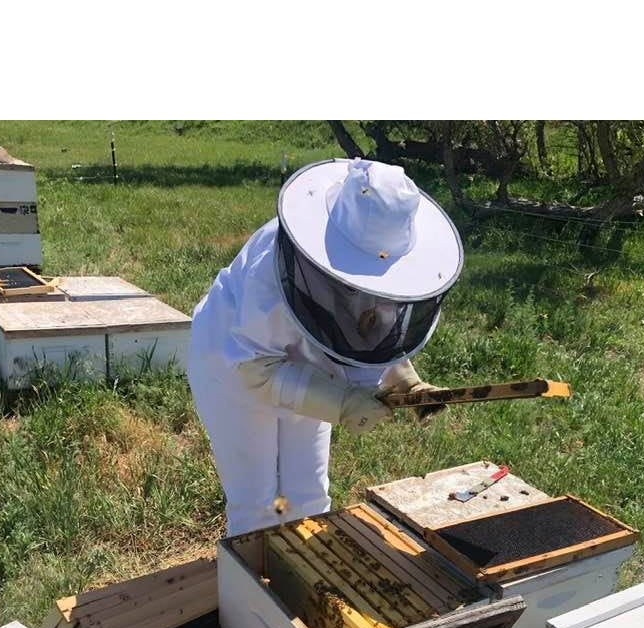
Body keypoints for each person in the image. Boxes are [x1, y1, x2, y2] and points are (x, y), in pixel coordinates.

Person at [188, 157, 464, 537]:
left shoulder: (385, 267)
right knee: (257, 503)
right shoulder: (271, 267)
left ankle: (306, 580)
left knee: (308, 495)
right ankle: (254, 587)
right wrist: (341, 402)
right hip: (233, 365)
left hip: (313, 372)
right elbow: (254, 369)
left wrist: (406, 382)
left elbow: (369, 333)